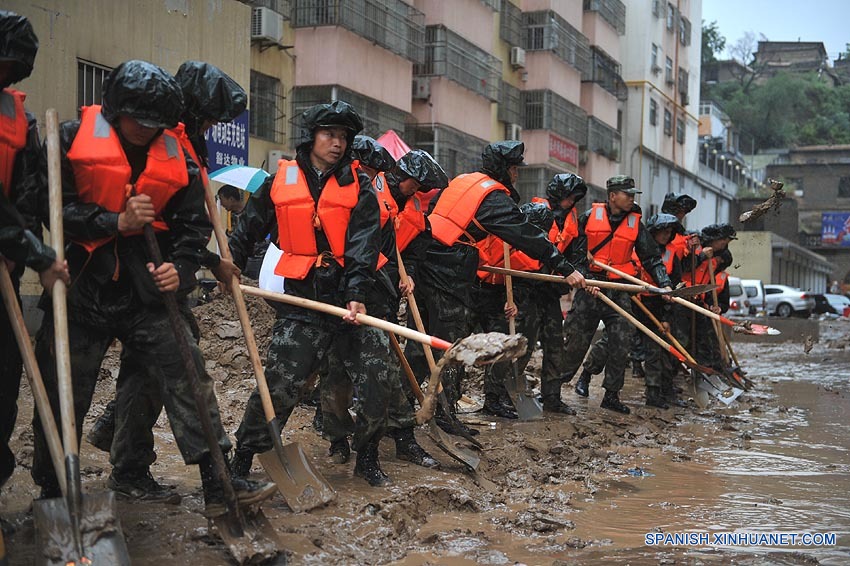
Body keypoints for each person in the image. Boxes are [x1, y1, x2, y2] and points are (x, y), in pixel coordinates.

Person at [27, 60, 273, 516]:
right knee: (63, 388)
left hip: (147, 290)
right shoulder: (68, 139)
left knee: (187, 371)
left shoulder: (176, 153)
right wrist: (113, 222)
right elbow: (47, 208)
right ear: (116, 110)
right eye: (137, 121)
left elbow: (191, 226)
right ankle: (54, 489)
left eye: (154, 123)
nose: (145, 130)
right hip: (82, 287)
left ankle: (219, 482)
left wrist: (182, 267)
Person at [84, 61, 249, 501]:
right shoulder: (157, 139)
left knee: (152, 369)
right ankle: (127, 460)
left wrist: (209, 261)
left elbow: (182, 224)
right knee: (173, 366)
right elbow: (156, 223)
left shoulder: (184, 146)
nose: (211, 127)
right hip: (128, 275)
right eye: (209, 119)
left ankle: (121, 449)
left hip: (161, 274)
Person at [227, 101, 395, 487]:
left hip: (352, 301)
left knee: (377, 376)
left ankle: (368, 456)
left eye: (343, 137)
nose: (337, 143)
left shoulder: (360, 187)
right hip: (303, 299)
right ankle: (244, 456)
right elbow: (247, 229)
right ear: (312, 137)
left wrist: (356, 292)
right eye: (329, 135)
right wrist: (230, 264)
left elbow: (364, 246)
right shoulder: (279, 182)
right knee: (279, 384)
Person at [415, 141, 586, 429]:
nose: (516, 175)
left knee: (425, 342)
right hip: (451, 272)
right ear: (502, 168)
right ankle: (443, 414)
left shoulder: (463, 181)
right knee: (451, 343)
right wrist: (564, 267)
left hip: (428, 261)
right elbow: (526, 235)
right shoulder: (492, 197)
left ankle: (417, 406)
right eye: (514, 168)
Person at [318, 136, 441, 470]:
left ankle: (397, 441)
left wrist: (407, 275)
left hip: (377, 299)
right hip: (338, 297)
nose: (416, 190)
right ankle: (338, 440)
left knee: (385, 372)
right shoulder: (348, 194)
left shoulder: (400, 207)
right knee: (336, 373)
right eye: (414, 183)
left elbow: (405, 252)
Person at [0, 9, 70, 490]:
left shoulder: (18, 119)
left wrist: (20, 249)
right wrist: (37, 254)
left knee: (4, 385)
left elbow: (24, 199)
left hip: (4, 266)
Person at [563, 175, 671, 414]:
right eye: (627, 194)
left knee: (622, 341)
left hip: (620, 289)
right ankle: (552, 390)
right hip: (590, 288)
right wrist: (585, 278)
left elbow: (652, 258)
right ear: (612, 196)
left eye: (633, 194)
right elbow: (574, 255)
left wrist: (664, 284)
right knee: (575, 342)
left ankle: (611, 394)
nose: (632, 198)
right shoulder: (588, 218)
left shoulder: (636, 224)